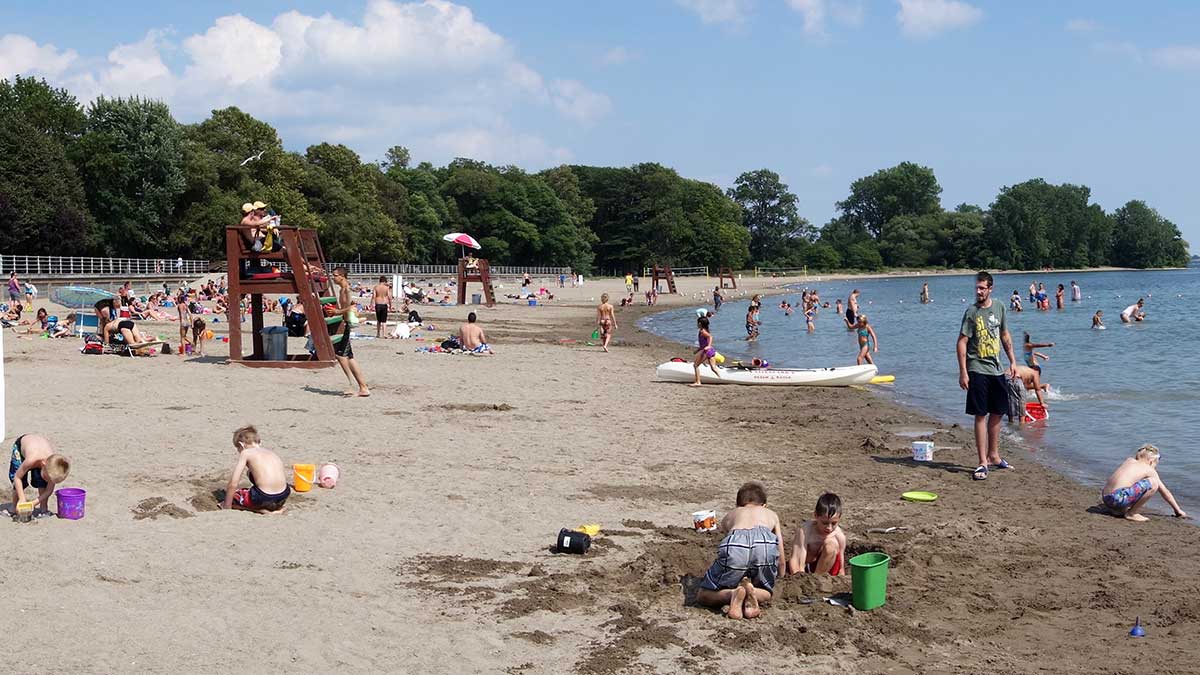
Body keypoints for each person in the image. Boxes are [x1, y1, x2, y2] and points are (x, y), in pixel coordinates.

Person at [957, 271, 1018, 481]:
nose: (978, 291)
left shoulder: (1000, 307)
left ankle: (994, 455)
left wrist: (1013, 361)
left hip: (997, 368)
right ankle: (982, 462)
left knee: (998, 412)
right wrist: (963, 371)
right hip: (976, 367)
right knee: (980, 414)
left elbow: (1004, 336)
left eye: (982, 288)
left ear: (990, 288)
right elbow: (962, 342)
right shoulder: (971, 312)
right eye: (977, 288)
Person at [695, 481, 784, 620]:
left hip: (736, 543)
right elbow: (780, 550)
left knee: (703, 595)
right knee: (768, 592)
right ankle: (752, 592)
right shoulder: (771, 514)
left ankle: (732, 594)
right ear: (764, 505)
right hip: (764, 544)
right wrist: (779, 575)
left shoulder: (731, 514)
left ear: (737, 506)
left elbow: (728, 545)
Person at [1100, 444, 1186, 522]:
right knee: (1154, 483)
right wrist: (1177, 510)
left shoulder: (1129, 460)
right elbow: (1165, 492)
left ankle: (1116, 509)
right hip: (1117, 499)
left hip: (1106, 498)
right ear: (1152, 461)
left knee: (1130, 484)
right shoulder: (1150, 470)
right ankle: (1132, 514)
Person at [221, 425, 290, 514]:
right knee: (250, 473)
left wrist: (227, 505)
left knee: (234, 496)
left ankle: (261, 511)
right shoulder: (271, 453)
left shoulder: (246, 453)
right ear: (259, 442)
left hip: (263, 497)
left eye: (238, 449)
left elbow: (233, 483)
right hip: (283, 495)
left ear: (241, 445)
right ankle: (278, 508)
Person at [327, 266, 370, 397]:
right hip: (346, 323)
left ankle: (351, 384)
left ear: (342, 276)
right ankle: (363, 387)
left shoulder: (346, 290)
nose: (333, 277)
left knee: (340, 356)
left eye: (335, 275)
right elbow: (346, 307)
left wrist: (337, 312)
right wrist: (334, 311)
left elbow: (351, 307)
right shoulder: (341, 290)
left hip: (347, 325)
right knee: (349, 357)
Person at [787, 493, 847, 576]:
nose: (829, 528)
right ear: (816, 516)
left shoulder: (839, 536)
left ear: (839, 518)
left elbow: (841, 568)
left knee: (831, 544)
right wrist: (798, 577)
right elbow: (795, 558)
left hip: (829, 571)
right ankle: (813, 580)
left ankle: (817, 579)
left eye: (833, 523)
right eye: (824, 523)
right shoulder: (806, 530)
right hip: (808, 568)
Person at [9, 434, 70, 513]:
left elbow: (48, 491)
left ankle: (43, 507)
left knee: (42, 482)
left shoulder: (52, 468)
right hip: (21, 447)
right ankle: (14, 506)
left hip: (39, 449)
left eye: (49, 480)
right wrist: (22, 498)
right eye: (46, 477)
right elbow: (17, 477)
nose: (47, 480)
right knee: (19, 481)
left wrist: (34, 502)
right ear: (44, 465)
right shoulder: (31, 460)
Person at [691, 316, 719, 386]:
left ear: (700, 323)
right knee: (713, 368)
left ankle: (698, 382)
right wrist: (697, 350)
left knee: (695, 365)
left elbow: (710, 337)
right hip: (710, 351)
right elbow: (703, 344)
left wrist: (709, 346)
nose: (696, 324)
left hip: (706, 351)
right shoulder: (703, 330)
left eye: (697, 323)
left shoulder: (702, 331)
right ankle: (721, 377)